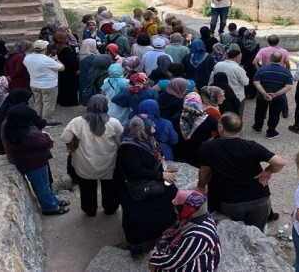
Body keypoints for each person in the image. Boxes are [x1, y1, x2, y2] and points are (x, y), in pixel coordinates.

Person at [197, 113, 286, 231]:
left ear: (221, 128)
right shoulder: (251, 146)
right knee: (257, 233)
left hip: (232, 201)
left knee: (237, 233)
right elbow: (280, 162)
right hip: (260, 197)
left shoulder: (209, 146)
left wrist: (201, 186)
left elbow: (205, 172)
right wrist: (267, 171)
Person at [114, 117, 178, 258]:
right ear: (144, 129)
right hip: (137, 187)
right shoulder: (129, 148)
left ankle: (164, 235)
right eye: (152, 126)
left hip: (151, 182)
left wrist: (165, 168)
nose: (155, 128)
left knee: (170, 201)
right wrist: (161, 175)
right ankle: (136, 243)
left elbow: (156, 160)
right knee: (137, 216)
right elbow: (136, 170)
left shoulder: (147, 141)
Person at [1, 96, 68, 215]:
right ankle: (50, 207)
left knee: (43, 185)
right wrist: (46, 135)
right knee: (42, 186)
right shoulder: (27, 135)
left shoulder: (9, 126)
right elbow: (46, 143)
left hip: (27, 160)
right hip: (34, 163)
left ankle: (53, 200)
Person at [61, 95, 123, 216]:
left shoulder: (77, 122)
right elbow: (121, 142)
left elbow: (65, 138)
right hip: (109, 162)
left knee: (87, 188)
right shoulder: (114, 122)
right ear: (106, 106)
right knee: (109, 188)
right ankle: (110, 209)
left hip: (84, 162)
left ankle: (90, 210)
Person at [148, 190, 221, 272]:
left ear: (185, 209)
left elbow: (175, 261)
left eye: (176, 204)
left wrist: (153, 257)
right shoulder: (198, 216)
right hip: (188, 255)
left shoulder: (197, 236)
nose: (173, 203)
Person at [252, 52, 293, 139]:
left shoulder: (262, 69)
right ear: (281, 59)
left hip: (262, 96)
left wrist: (264, 93)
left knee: (260, 111)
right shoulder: (286, 72)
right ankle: (271, 132)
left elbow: (256, 82)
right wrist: (275, 94)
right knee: (275, 114)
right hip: (278, 97)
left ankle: (257, 127)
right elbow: (289, 86)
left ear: (270, 59)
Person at [23, 39, 64, 125]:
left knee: (37, 102)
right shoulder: (47, 60)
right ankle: (47, 121)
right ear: (45, 48)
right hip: (48, 85)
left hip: (34, 83)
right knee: (48, 103)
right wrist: (56, 60)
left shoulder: (27, 57)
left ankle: (37, 119)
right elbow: (62, 68)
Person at [174, 93, 218, 168]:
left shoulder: (176, 117)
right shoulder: (209, 120)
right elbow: (221, 131)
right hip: (199, 152)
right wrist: (213, 140)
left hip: (179, 151)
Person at [0, 88, 37, 155]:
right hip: (10, 148)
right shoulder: (13, 112)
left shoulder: (4, 108)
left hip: (1, 146)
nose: (27, 102)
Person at [210, 50, 249, 116]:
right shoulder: (238, 68)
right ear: (236, 57)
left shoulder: (218, 65)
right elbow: (245, 82)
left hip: (219, 95)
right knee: (236, 116)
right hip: (236, 97)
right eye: (240, 56)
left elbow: (212, 78)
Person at [52, 33, 79, 107]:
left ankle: (61, 100)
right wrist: (76, 68)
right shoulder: (65, 48)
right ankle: (69, 102)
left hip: (59, 70)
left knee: (62, 86)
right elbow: (71, 62)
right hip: (68, 71)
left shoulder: (54, 47)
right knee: (69, 87)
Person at [237, 29, 260, 99]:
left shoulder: (240, 42)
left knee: (243, 77)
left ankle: (244, 93)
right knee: (252, 78)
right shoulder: (256, 44)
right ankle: (252, 94)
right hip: (252, 64)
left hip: (243, 63)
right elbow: (256, 56)